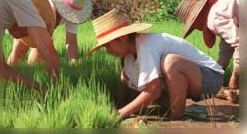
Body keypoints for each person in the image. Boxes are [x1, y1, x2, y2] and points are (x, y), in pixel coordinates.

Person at [85, 9, 224, 120]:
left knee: (171, 62)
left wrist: (121, 113)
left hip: (211, 77)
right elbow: (148, 87)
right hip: (192, 79)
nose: (108, 51)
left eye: (108, 45)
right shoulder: (129, 57)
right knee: (126, 77)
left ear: (121, 38)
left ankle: (177, 117)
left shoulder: (147, 45)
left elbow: (153, 90)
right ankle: (171, 105)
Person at [7, 0, 92, 65]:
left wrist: (73, 62)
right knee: (19, 51)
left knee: (40, 53)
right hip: (28, 5)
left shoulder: (75, 6)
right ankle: (7, 74)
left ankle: (31, 71)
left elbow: (71, 41)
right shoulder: (49, 2)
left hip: (44, 18)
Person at [176, 0, 239, 103]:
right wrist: (217, 70)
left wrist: (234, 79)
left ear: (197, 19)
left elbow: (240, 44)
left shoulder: (213, 19)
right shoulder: (220, 7)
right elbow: (227, 45)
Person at [0, 0, 59, 92]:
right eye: (28, 32)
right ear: (26, 23)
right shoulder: (25, 5)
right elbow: (49, 53)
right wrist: (57, 88)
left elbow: (0, 68)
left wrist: (39, 88)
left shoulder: (2, 15)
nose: (24, 37)